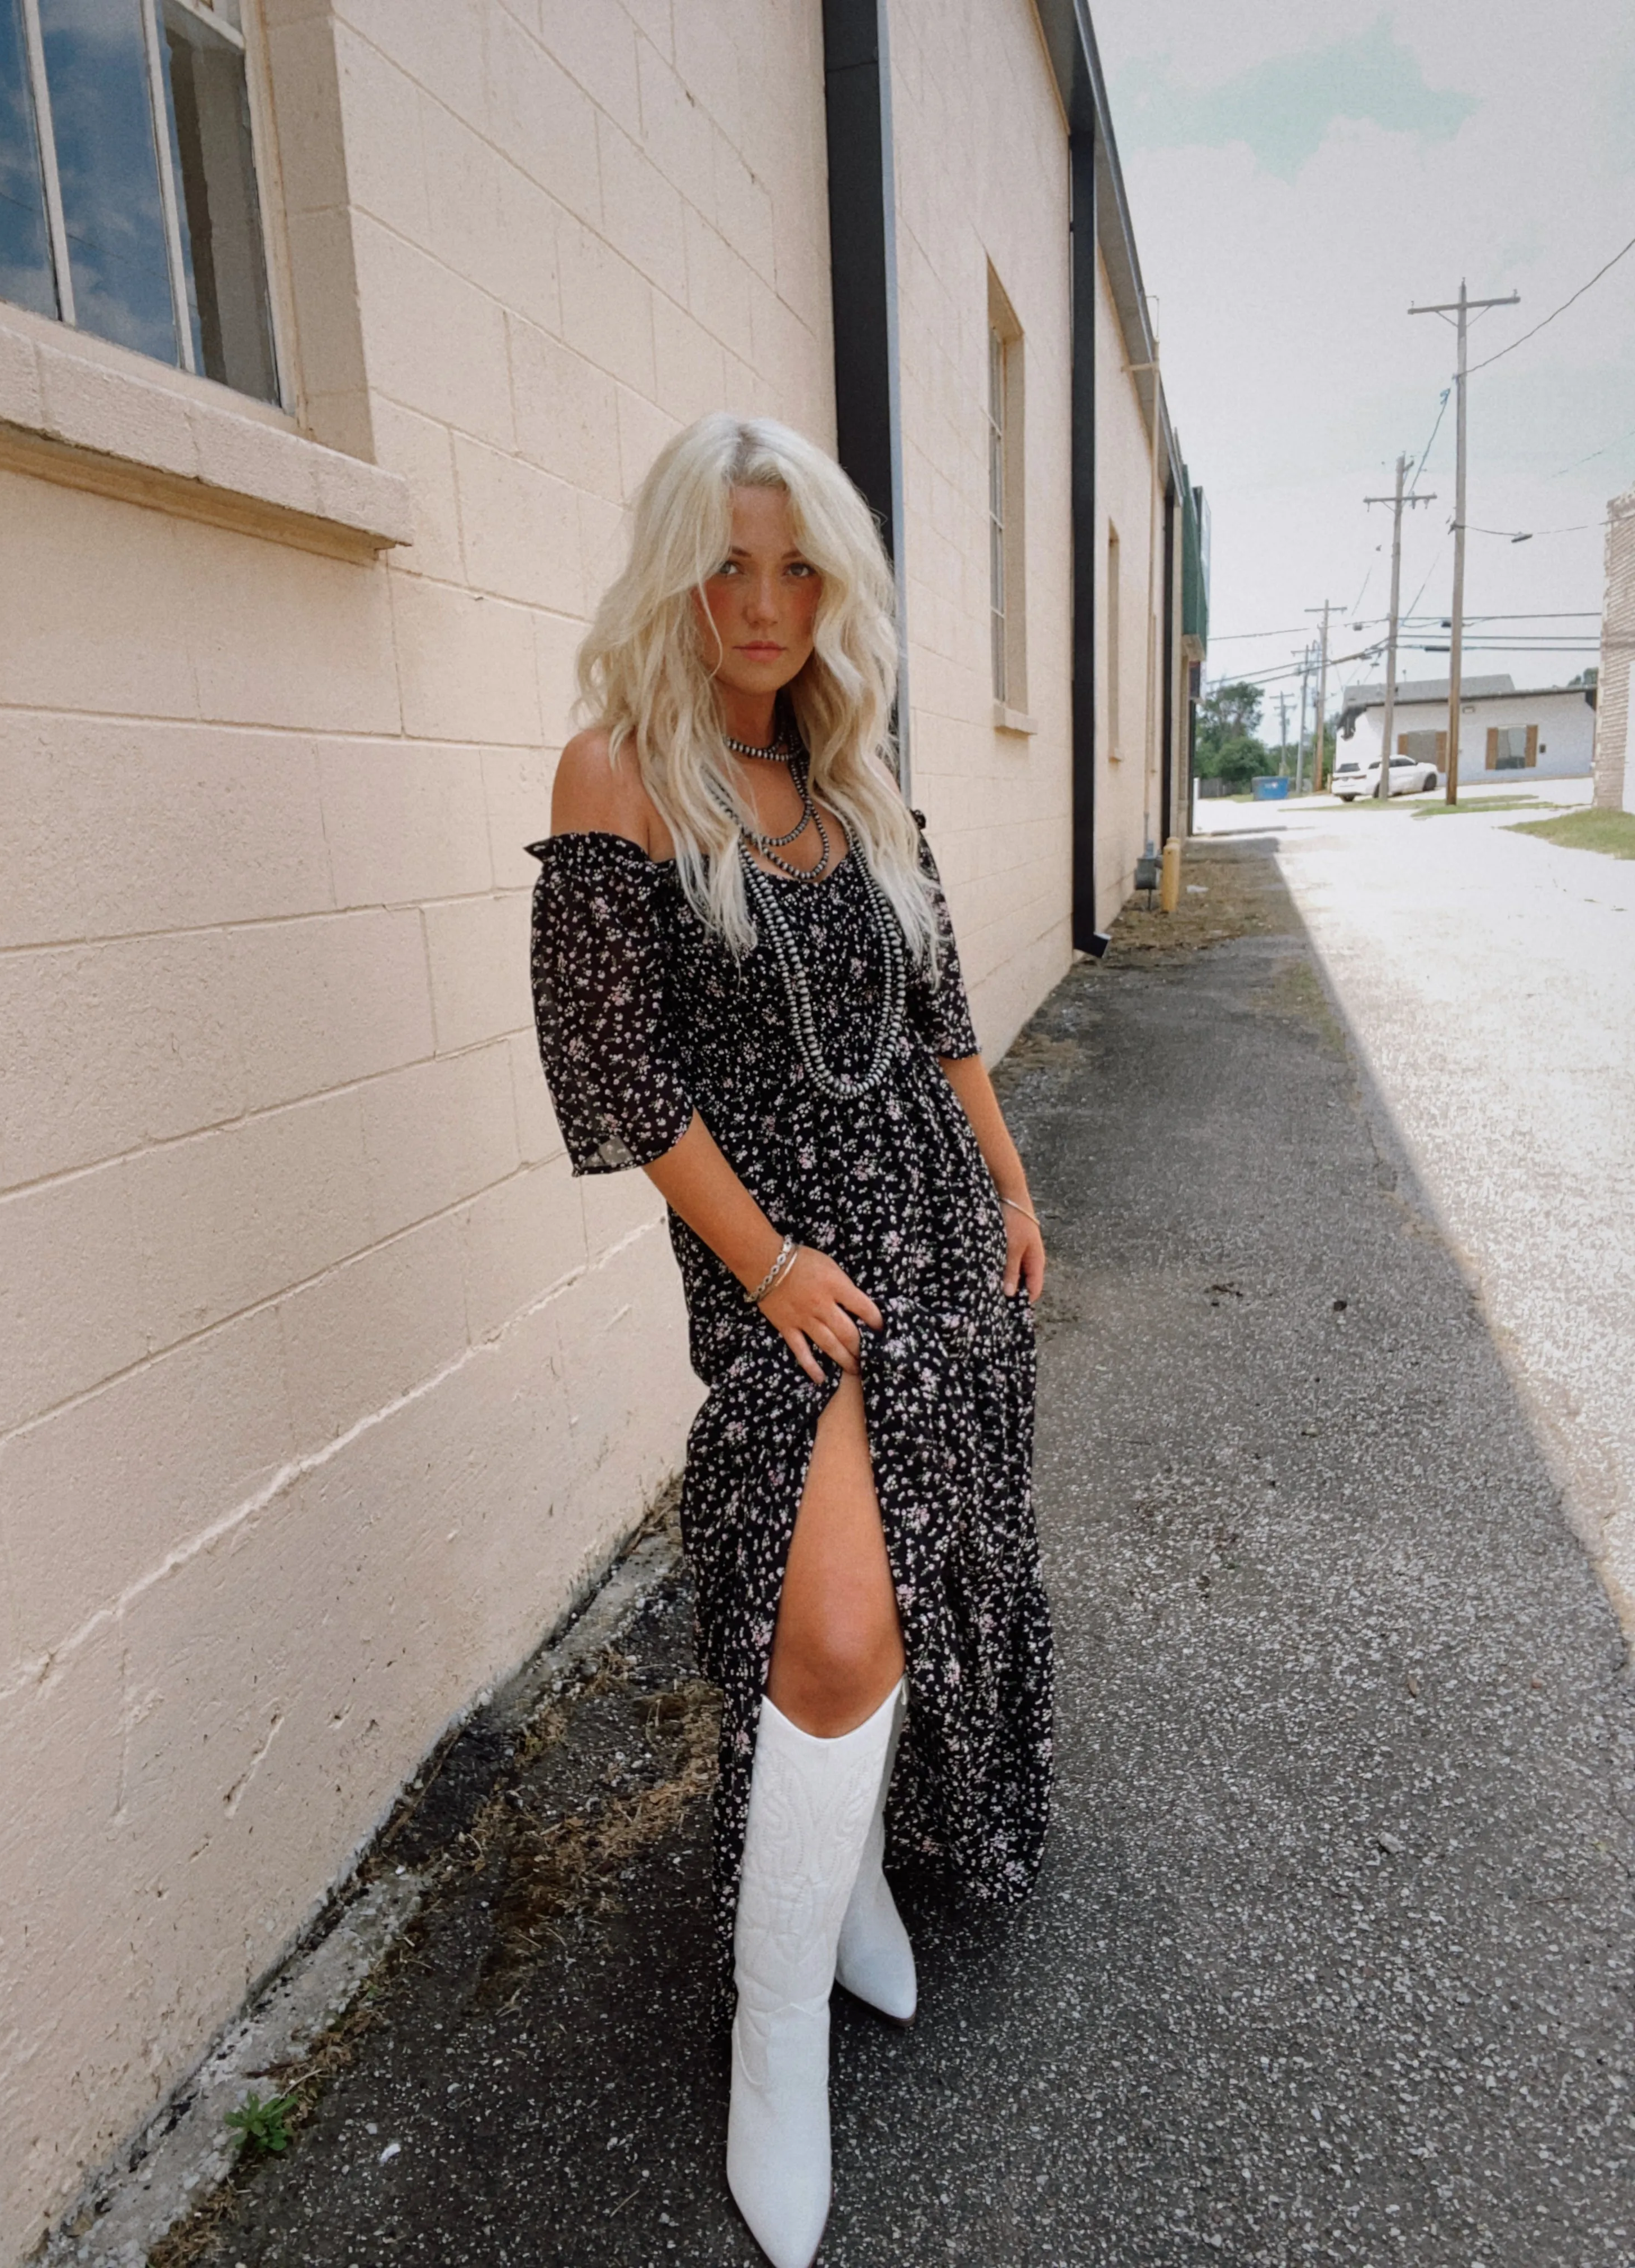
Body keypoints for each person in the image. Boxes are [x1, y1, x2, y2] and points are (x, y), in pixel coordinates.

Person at [528, 412, 1053, 2268]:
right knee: (828, 1624)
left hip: (931, 1222)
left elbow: (944, 1002)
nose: (763, 602)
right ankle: (777, 2036)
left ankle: (829, 1910)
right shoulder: (623, 776)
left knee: (904, 1587)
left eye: (799, 566)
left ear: (837, 587)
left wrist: (1005, 1179)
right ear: (680, 568)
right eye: (730, 562)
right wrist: (765, 1270)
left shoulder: (859, 783)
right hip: (790, 1264)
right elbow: (613, 1073)